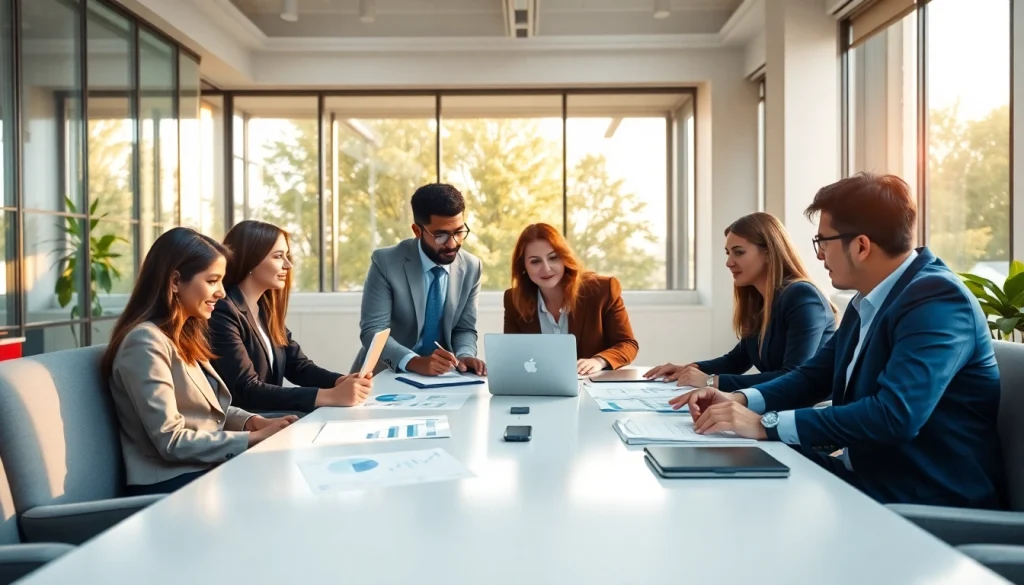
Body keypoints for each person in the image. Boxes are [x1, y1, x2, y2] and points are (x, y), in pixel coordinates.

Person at [670, 173, 1004, 509]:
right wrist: (739, 400)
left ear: (860, 246)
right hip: (868, 479)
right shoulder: (869, 301)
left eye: (823, 242)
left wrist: (766, 424)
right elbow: (813, 376)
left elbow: (894, 415)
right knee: (725, 472)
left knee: (747, 494)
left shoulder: (937, 299)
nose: (818, 256)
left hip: (924, 498)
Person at [103, 228, 296, 496]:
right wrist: (251, 439)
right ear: (174, 281)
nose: (220, 292)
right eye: (213, 281)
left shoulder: (183, 335)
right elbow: (170, 440)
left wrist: (252, 422)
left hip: (202, 469)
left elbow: (206, 412)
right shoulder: (144, 343)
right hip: (170, 483)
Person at [646, 212, 836, 390]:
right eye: (728, 253)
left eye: (739, 252)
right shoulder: (760, 301)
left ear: (769, 253)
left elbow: (793, 376)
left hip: (811, 410)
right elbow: (738, 360)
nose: (729, 262)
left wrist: (710, 381)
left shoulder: (802, 296)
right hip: (781, 404)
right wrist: (689, 369)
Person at [209, 220, 372, 414]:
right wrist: (330, 396)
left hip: (271, 414)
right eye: (278, 256)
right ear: (251, 260)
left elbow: (298, 366)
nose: (288, 264)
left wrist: (339, 381)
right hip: (248, 420)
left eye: (287, 256)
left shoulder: (265, 309)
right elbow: (247, 389)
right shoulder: (222, 312)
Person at [354, 183, 486, 377]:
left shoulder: (471, 267)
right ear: (417, 231)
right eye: (440, 235)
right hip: (385, 374)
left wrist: (465, 354)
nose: (452, 244)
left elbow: (464, 328)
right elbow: (373, 332)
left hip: (444, 377)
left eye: (459, 232)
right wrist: (414, 362)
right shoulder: (386, 262)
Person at [503, 223, 638, 375]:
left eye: (553, 258)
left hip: (591, 385)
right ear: (523, 266)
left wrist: (599, 361)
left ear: (564, 259)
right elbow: (512, 354)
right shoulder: (513, 300)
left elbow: (627, 344)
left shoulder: (602, 290)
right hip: (541, 387)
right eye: (535, 261)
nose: (546, 268)